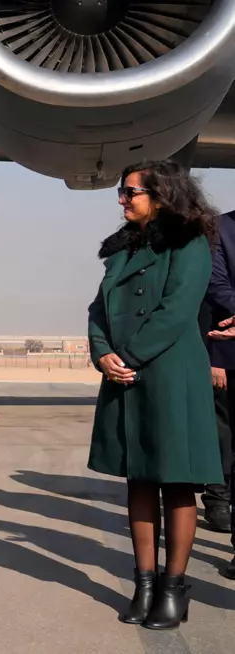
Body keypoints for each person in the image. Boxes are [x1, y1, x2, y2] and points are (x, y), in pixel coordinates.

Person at [87, 159, 223, 630]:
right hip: (124, 374)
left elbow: (177, 310)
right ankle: (143, 583)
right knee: (138, 480)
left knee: (176, 482)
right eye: (121, 193)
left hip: (169, 374)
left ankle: (174, 589)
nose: (122, 200)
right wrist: (102, 352)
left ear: (161, 195)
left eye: (130, 192)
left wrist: (128, 357)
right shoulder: (122, 250)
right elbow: (97, 308)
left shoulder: (190, 242)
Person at [200, 207, 235, 536]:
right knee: (221, 430)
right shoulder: (219, 229)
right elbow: (216, 287)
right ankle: (218, 495)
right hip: (225, 347)